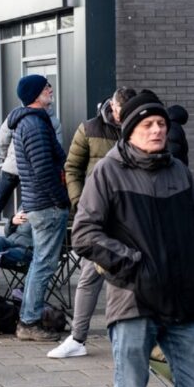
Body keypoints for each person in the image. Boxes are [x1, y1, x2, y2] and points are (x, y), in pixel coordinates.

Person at [73, 90, 194, 387]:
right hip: (133, 302)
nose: (157, 130)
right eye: (148, 124)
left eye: (161, 124)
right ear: (130, 130)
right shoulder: (108, 172)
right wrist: (136, 265)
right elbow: (84, 234)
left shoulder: (179, 172)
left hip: (183, 302)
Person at [47, 86, 135, 358]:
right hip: (97, 213)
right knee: (89, 275)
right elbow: (71, 168)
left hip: (130, 215)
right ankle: (77, 338)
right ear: (113, 106)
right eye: (121, 113)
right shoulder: (89, 128)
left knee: (130, 277)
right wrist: (80, 202)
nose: (123, 118)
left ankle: (129, 337)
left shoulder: (137, 128)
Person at [8, 75, 69, 342]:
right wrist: (61, 199)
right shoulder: (33, 125)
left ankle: (29, 318)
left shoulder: (33, 122)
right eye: (46, 87)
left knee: (39, 263)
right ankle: (29, 322)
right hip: (46, 205)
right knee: (44, 264)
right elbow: (43, 169)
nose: (51, 90)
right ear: (35, 94)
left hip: (40, 203)